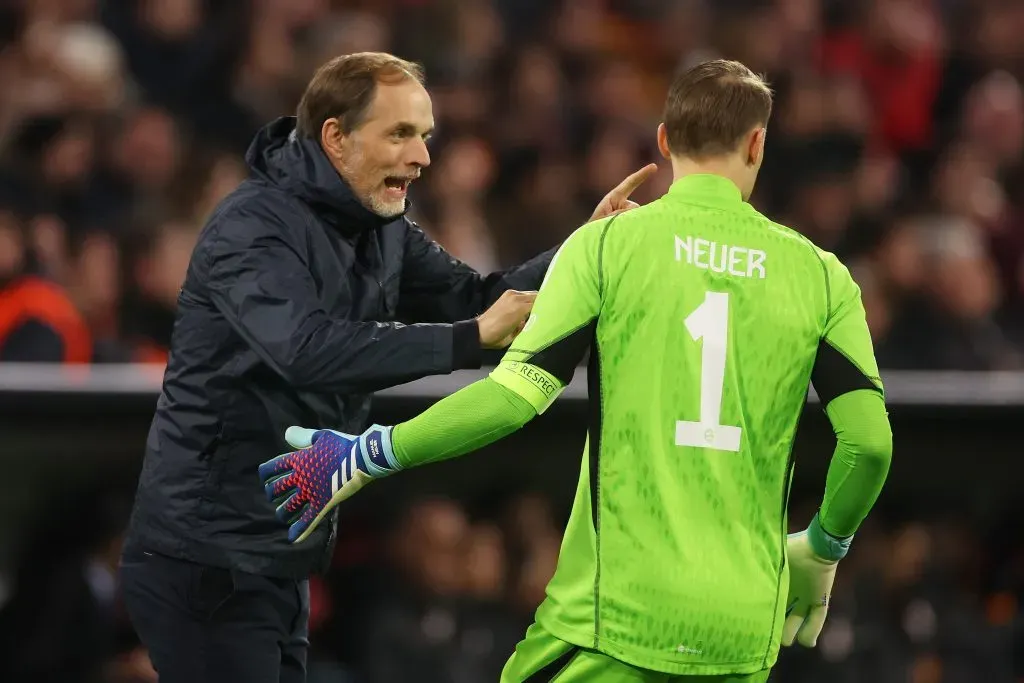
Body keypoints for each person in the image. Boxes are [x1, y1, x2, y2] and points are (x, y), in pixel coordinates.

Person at [263, 59, 894, 682]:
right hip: (741, 630)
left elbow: (515, 396)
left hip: (613, 621)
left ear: (666, 141)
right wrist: (822, 546)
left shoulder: (607, 245)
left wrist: (370, 453)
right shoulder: (822, 276)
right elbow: (868, 446)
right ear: (757, 144)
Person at [118, 51, 654, 683]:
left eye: (425, 136)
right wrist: (469, 339)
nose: (423, 156)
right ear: (336, 137)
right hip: (204, 560)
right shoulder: (252, 227)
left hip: (275, 552)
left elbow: (478, 296)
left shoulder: (381, 226)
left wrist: (585, 247)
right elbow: (307, 350)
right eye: (400, 133)